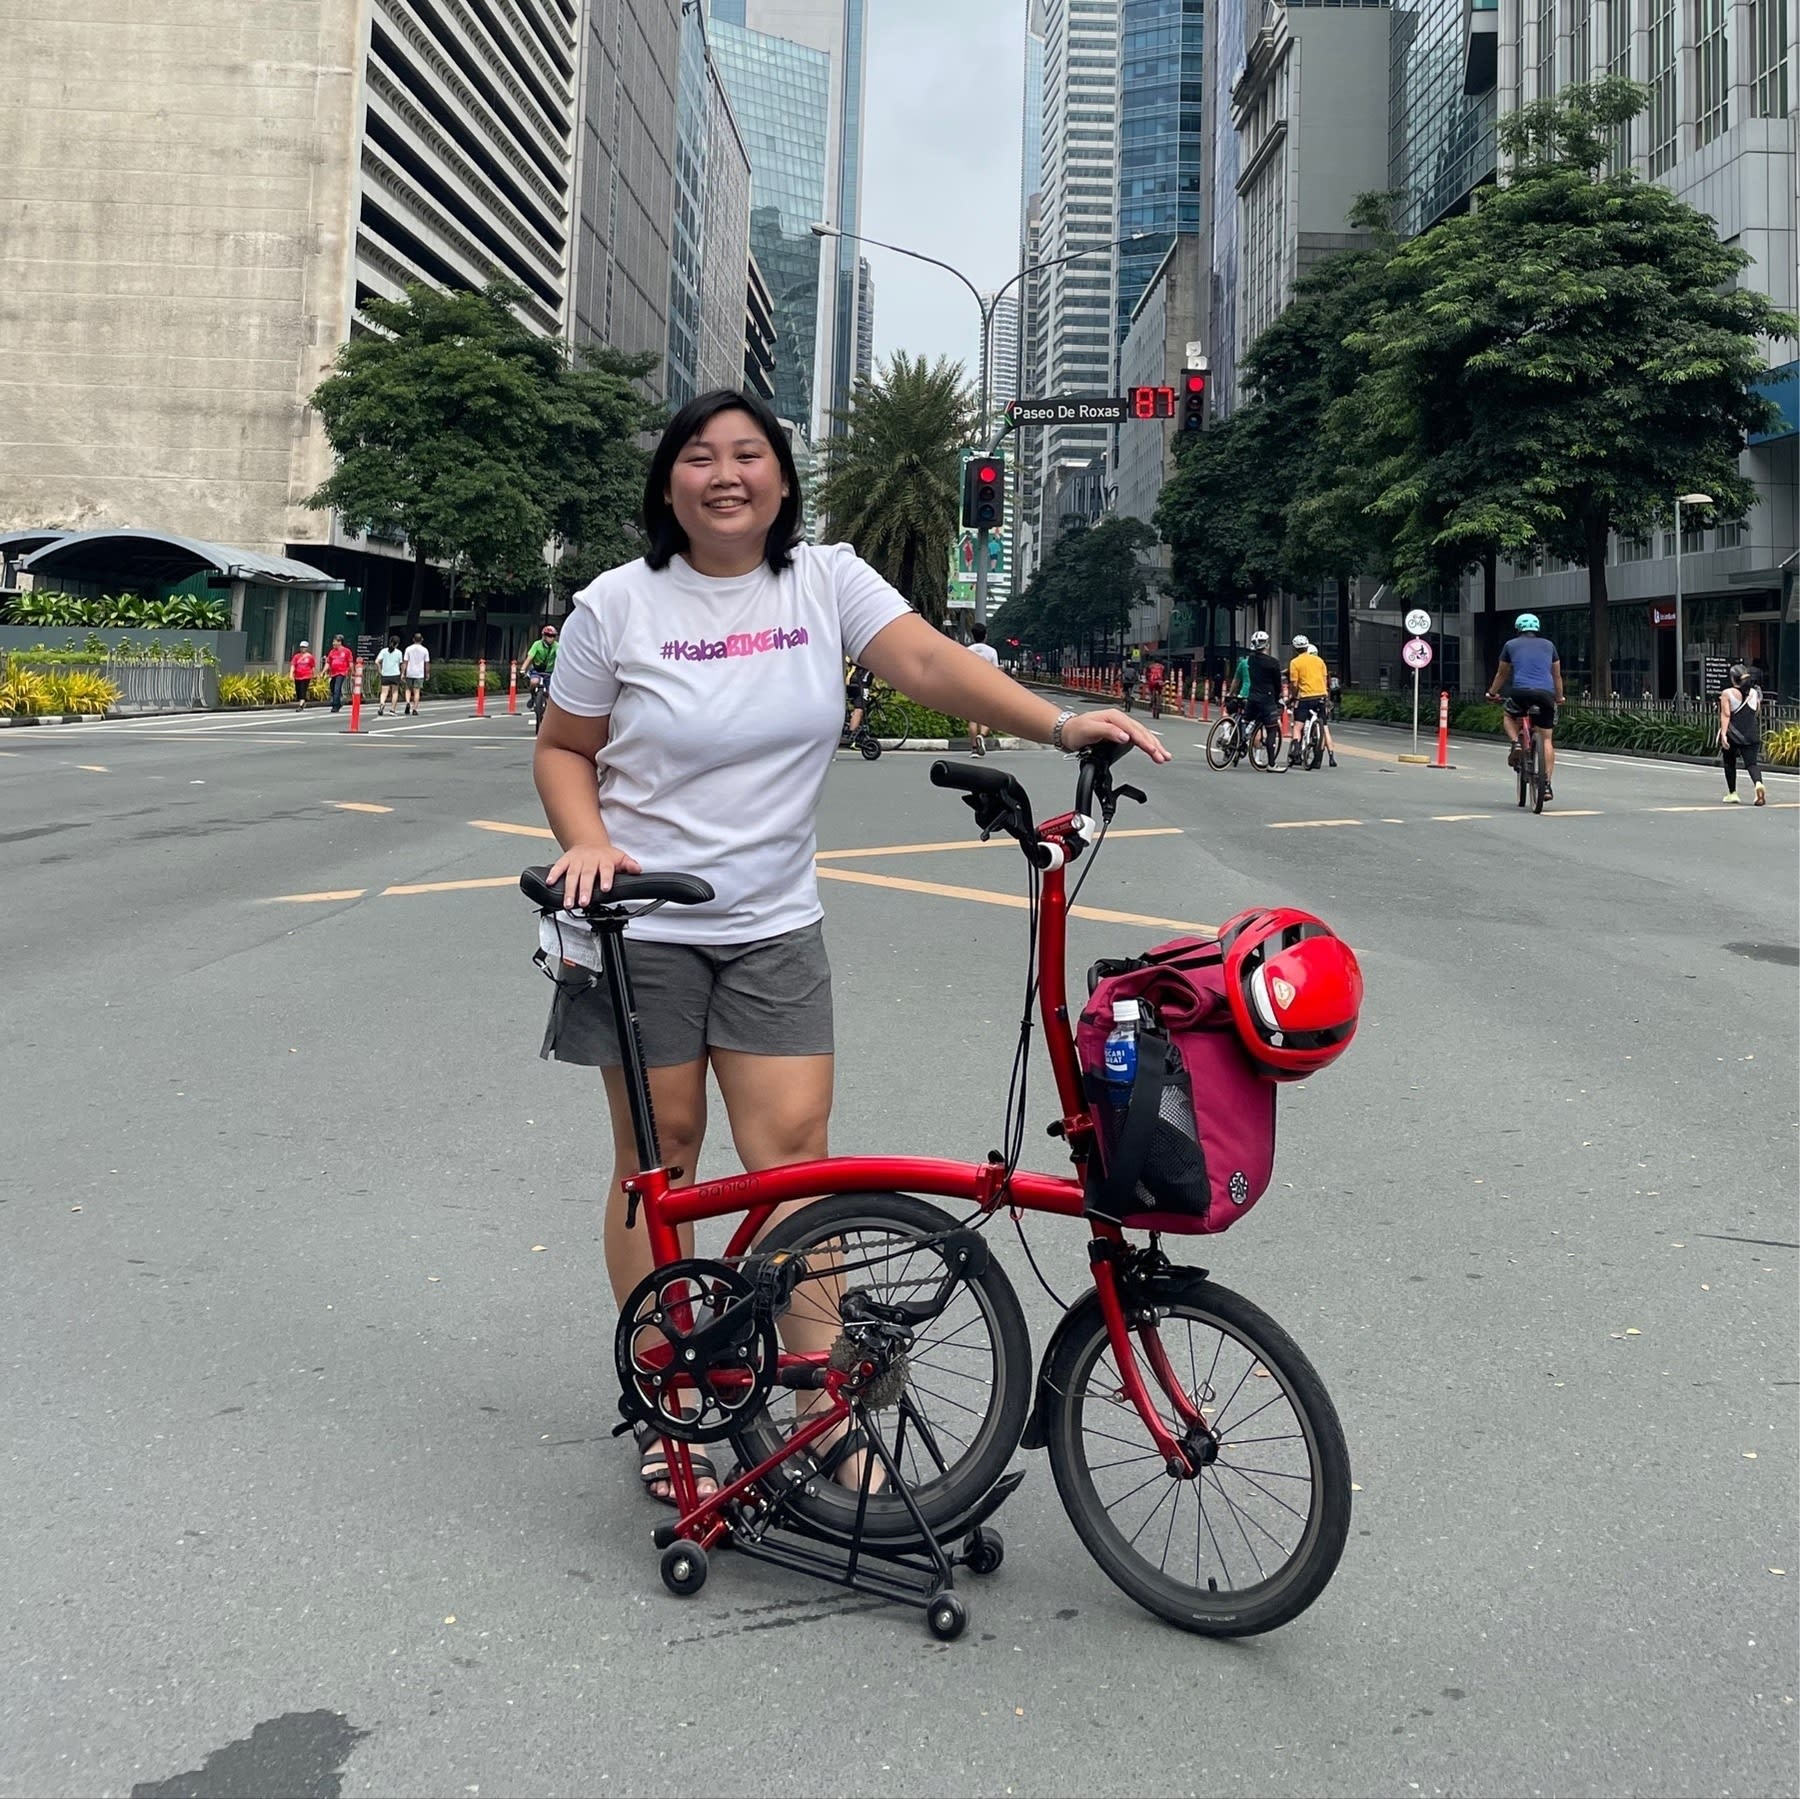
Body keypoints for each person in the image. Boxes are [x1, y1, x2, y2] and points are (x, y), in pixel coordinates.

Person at [531, 386, 1168, 1505]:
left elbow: (928, 662)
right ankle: (667, 1394)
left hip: (774, 924)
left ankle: (819, 1405)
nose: (723, 474)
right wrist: (586, 842)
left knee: (798, 1167)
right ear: (668, 483)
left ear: (781, 476)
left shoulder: (823, 578)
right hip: (644, 929)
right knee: (659, 1157)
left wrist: (1062, 722)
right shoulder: (616, 605)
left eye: (747, 454)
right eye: (698, 457)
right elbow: (563, 747)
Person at [1486, 613, 1564, 801]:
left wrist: (1492, 693)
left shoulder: (1510, 645)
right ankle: (1546, 786)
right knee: (1546, 739)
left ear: (1518, 628)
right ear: (1537, 628)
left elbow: (1502, 674)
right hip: (1545, 694)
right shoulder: (1549, 645)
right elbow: (1557, 675)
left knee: (1509, 715)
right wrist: (1559, 697)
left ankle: (1516, 742)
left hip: (1520, 692)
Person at [1718, 661, 1767, 805]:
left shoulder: (1727, 693)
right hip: (1751, 732)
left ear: (1733, 679)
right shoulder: (1754, 693)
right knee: (1752, 763)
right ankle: (1758, 783)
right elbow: (1756, 711)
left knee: (1730, 762)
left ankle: (1732, 793)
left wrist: (1723, 734)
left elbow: (1726, 715)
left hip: (1734, 733)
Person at [1286, 636, 1338, 768]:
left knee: (1298, 726)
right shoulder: (1320, 661)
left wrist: (1293, 696)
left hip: (1305, 698)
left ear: (1295, 649)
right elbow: (1324, 679)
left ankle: (1296, 749)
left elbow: (1294, 683)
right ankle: (1320, 757)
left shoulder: (1295, 662)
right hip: (1321, 697)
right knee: (1322, 725)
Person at [1232, 631, 1284, 760]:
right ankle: (1271, 763)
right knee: (1272, 728)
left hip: (1252, 697)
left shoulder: (1251, 660)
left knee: (1245, 719)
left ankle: (1240, 740)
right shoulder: (1273, 662)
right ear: (1267, 645)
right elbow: (1277, 684)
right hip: (1267, 699)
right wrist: (1278, 698)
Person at [965, 621, 1000, 755]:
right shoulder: (992, 651)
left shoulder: (968, 650)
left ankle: (974, 749)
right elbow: (996, 671)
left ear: (973, 636)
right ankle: (982, 736)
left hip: (972, 686)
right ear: (985, 636)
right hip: (987, 686)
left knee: (973, 718)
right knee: (987, 717)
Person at [521, 624, 558, 724]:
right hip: (537, 671)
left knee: (551, 693)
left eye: (553, 636)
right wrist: (523, 669)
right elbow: (530, 657)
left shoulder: (557, 646)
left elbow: (562, 659)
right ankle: (533, 697)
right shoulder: (537, 644)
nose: (551, 638)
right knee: (534, 682)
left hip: (550, 673)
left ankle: (547, 710)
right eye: (549, 635)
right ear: (544, 636)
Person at [400, 633, 430, 716]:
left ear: (413, 639)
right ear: (422, 640)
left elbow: (405, 662)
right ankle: (415, 709)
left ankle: (407, 703)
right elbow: (427, 663)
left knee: (408, 689)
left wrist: (403, 673)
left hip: (409, 672)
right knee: (417, 691)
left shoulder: (408, 649)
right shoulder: (425, 650)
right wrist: (427, 673)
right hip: (419, 673)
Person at [324, 635, 354, 713]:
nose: (333, 643)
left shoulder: (347, 651)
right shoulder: (332, 652)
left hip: (342, 672)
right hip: (333, 673)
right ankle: (339, 701)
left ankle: (335, 705)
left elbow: (350, 663)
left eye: (335, 641)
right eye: (333, 641)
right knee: (332, 687)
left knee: (337, 688)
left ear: (340, 642)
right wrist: (323, 672)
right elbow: (328, 663)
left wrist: (352, 673)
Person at [375, 635, 403, 714]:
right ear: (397, 644)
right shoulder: (399, 652)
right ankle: (392, 709)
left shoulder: (383, 651)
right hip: (395, 674)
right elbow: (401, 664)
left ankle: (382, 704)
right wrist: (403, 673)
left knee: (384, 692)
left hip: (385, 674)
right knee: (394, 692)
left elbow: (377, 662)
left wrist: (380, 671)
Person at [289, 640, 317, 711]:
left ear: (306, 648)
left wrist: (314, 675)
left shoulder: (310, 657)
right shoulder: (296, 656)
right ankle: (302, 701)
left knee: (302, 690)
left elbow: (312, 667)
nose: (302, 648)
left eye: (304, 647)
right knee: (298, 690)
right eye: (301, 647)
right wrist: (291, 674)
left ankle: (301, 705)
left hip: (306, 676)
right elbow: (293, 665)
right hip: (297, 676)